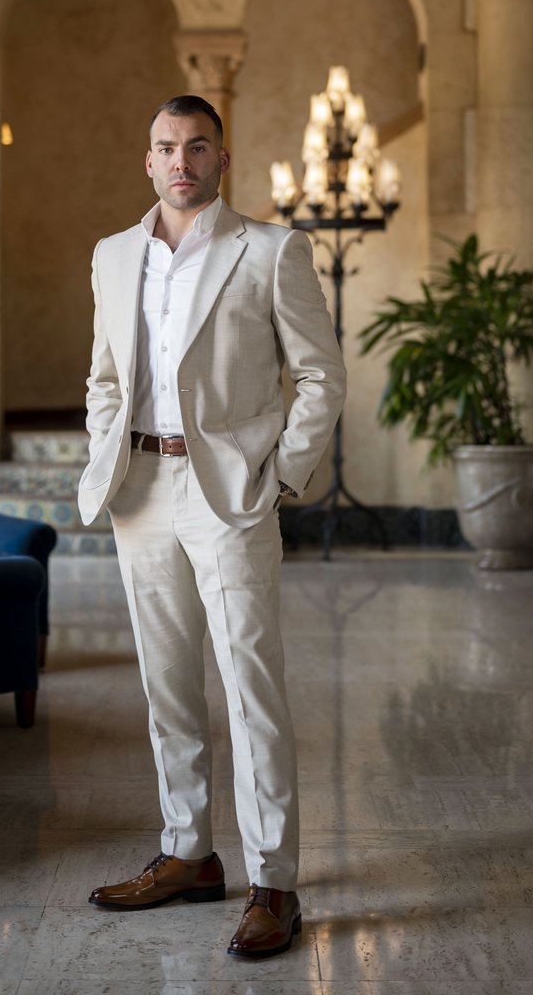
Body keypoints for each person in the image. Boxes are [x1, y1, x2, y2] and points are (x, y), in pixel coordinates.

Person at [78, 93, 346, 959]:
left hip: (230, 490)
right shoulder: (113, 256)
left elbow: (320, 376)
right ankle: (189, 852)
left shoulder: (270, 249)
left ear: (222, 160)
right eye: (166, 147)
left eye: (198, 146)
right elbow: (106, 378)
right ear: (147, 160)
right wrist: (105, 453)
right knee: (167, 683)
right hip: (141, 487)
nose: (181, 160)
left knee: (249, 683)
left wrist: (281, 475)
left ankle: (275, 880)